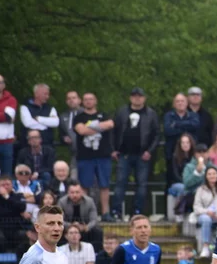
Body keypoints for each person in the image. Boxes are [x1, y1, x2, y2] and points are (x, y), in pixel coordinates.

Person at [111, 88, 160, 218]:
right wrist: (113, 149)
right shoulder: (122, 112)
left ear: (144, 98)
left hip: (142, 155)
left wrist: (150, 151)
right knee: (120, 183)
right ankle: (116, 212)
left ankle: (137, 211)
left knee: (142, 185)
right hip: (124, 154)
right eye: (134, 96)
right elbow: (114, 131)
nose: (137, 98)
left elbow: (156, 135)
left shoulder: (151, 114)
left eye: (140, 96)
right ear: (130, 98)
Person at [71, 92, 115, 219]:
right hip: (85, 157)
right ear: (82, 102)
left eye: (91, 99)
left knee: (104, 185)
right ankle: (85, 214)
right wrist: (100, 127)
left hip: (103, 156)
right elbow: (81, 130)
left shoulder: (104, 114)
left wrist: (90, 127)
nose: (88, 101)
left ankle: (106, 213)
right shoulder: (78, 117)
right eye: (86, 99)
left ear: (95, 101)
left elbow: (110, 124)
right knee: (84, 186)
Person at [163, 92, 201, 187]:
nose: (180, 103)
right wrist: (186, 127)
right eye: (177, 101)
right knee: (171, 180)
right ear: (174, 104)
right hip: (172, 153)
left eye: (182, 101)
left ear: (187, 103)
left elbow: (196, 126)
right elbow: (168, 130)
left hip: (190, 154)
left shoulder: (193, 115)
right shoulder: (168, 116)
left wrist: (176, 124)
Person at [190, 166, 217, 258]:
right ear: (206, 176)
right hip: (203, 215)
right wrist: (207, 212)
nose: (212, 176)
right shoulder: (201, 190)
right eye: (209, 174)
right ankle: (205, 247)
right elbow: (196, 207)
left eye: (214, 174)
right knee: (206, 219)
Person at [57, 181, 103, 249]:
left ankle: (96, 252)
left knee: (98, 231)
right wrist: (71, 226)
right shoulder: (62, 202)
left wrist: (86, 227)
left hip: (85, 228)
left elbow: (94, 220)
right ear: (68, 193)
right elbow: (59, 220)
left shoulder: (89, 201)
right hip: (67, 229)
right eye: (72, 192)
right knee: (57, 231)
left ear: (81, 192)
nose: (75, 195)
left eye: (77, 192)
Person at [0, 176, 27, 252]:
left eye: (8, 184)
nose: (5, 187)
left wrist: (7, 197)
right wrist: (14, 210)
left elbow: (22, 207)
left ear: (12, 185)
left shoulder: (18, 196)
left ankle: (18, 259)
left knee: (23, 236)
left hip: (15, 227)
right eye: (3, 185)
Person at [20, 83, 59, 148]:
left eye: (48, 94)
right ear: (36, 94)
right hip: (29, 147)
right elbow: (28, 123)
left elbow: (55, 122)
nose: (47, 97)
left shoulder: (50, 108)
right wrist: (46, 124)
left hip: (47, 145)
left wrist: (38, 118)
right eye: (45, 94)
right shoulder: (25, 107)